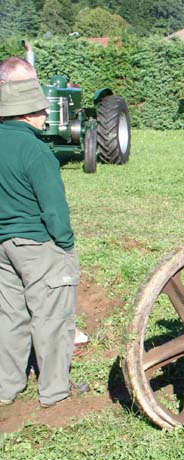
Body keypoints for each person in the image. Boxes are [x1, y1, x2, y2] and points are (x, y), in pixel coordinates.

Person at [0, 78, 85, 408]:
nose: (44, 116)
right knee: (52, 318)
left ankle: (6, 388)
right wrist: (65, 244)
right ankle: (53, 392)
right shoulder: (37, 151)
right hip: (37, 244)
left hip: (2, 245)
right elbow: (54, 209)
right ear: (28, 113)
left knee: (9, 317)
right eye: (40, 110)